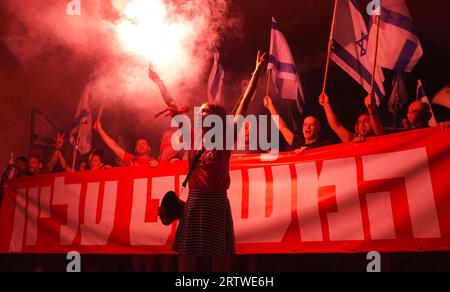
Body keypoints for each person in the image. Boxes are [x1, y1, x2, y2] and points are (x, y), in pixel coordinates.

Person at [169, 51, 267, 272]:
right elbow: (172, 103)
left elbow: (246, 100)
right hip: (194, 200)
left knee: (220, 254)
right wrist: (159, 83)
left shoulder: (227, 135)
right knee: (187, 254)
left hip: (216, 200)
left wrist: (256, 72)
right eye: (200, 112)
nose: (200, 114)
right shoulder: (192, 136)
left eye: (204, 111)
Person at [263, 95, 329, 151]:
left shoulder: (324, 146)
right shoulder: (297, 143)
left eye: (311, 124)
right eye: (305, 125)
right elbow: (282, 127)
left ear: (318, 129)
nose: (307, 127)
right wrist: (270, 106)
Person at [319, 93, 385, 143]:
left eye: (366, 121)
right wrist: (326, 105)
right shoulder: (352, 138)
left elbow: (378, 131)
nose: (362, 125)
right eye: (359, 122)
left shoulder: (379, 136)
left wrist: (371, 109)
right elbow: (336, 126)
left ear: (372, 123)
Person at [94, 119, 159, 168]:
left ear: (149, 148)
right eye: (138, 144)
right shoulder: (130, 159)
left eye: (144, 144)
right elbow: (114, 146)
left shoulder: (154, 161)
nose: (141, 145)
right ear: (135, 149)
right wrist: (100, 130)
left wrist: (157, 166)